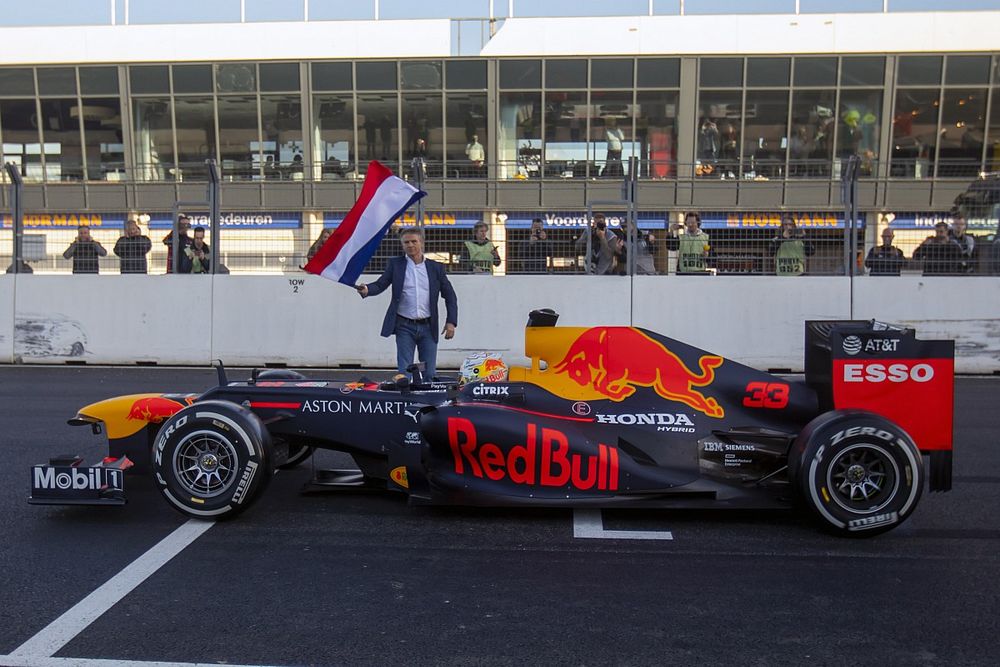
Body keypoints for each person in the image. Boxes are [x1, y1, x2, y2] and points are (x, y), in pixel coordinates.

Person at [355, 227, 458, 380]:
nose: (410, 245)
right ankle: (406, 395)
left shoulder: (436, 268)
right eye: (406, 242)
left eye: (414, 241)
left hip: (429, 326)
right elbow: (381, 284)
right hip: (404, 325)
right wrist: (367, 289)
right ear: (402, 245)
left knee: (429, 373)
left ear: (421, 242)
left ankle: (427, 395)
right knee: (405, 372)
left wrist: (451, 322)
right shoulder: (396, 265)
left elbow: (450, 296)